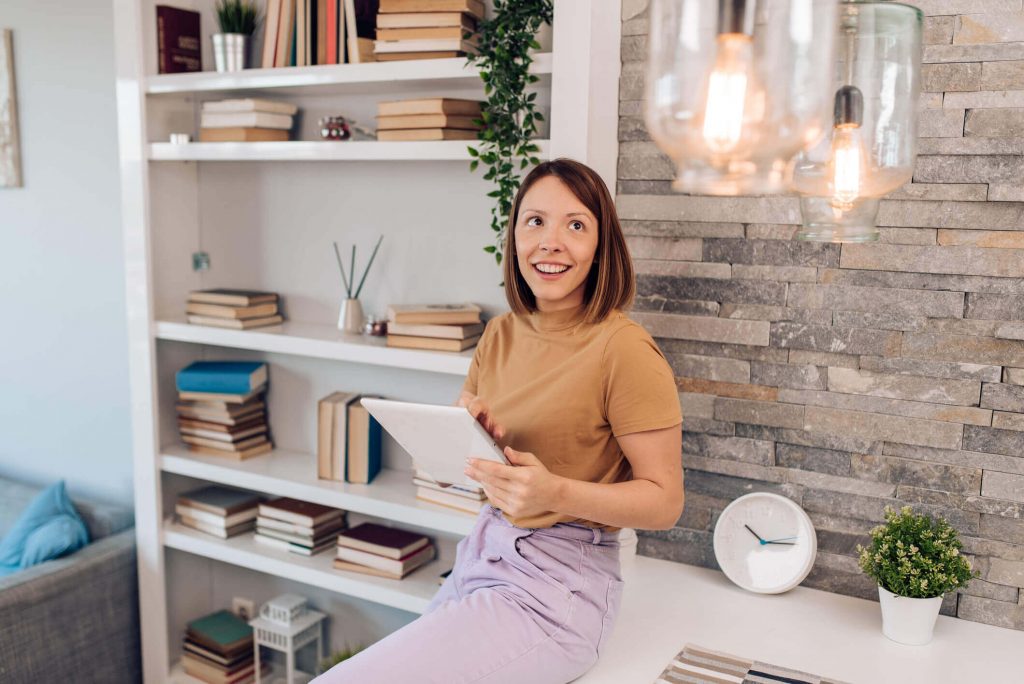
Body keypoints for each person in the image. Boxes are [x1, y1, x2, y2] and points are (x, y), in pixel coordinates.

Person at [315, 158, 683, 684]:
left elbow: (665, 501)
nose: (551, 242)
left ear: (602, 246)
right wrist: (471, 440)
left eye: (575, 225)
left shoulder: (623, 350)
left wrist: (555, 492)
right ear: (514, 237)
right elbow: (453, 472)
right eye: (535, 221)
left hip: (559, 589)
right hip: (483, 556)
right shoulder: (500, 334)